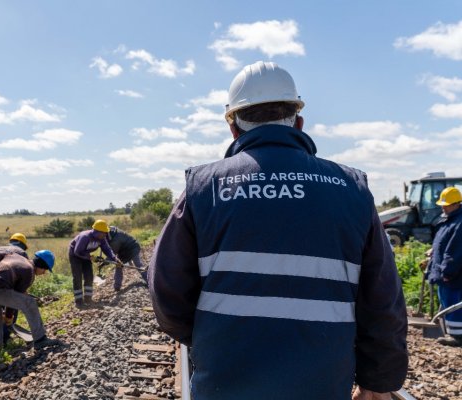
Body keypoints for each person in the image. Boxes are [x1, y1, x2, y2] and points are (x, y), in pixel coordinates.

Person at [148, 61, 408, 400]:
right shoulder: (351, 189)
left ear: (234, 128)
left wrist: (211, 335)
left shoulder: (203, 189)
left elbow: (165, 289)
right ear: (299, 122)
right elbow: (383, 298)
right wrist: (378, 381)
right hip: (322, 384)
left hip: (225, 383)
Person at [0, 249, 61, 351]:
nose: (44, 273)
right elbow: (15, 297)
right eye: (45, 269)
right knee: (30, 303)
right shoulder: (29, 271)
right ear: (41, 265)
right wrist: (9, 316)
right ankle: (40, 339)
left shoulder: (19, 258)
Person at [426, 186, 462, 347]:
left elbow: (454, 251)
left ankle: (457, 336)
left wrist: (447, 272)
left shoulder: (459, 223)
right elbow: (442, 243)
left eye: (446, 204)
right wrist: (433, 252)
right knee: (447, 303)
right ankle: (451, 331)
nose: (443, 206)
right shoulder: (449, 220)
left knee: (452, 304)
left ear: (456, 204)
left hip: (452, 275)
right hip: (444, 272)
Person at [68, 220, 122, 307]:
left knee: (89, 276)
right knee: (77, 277)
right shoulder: (85, 237)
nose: (105, 235)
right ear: (97, 231)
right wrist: (89, 257)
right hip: (75, 255)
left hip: (86, 255)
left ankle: (88, 299)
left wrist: (115, 259)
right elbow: (77, 251)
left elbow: (107, 249)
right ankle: (79, 301)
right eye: (103, 233)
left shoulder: (102, 239)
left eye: (105, 233)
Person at [106, 225, 147, 290]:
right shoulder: (111, 231)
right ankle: (117, 287)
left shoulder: (115, 240)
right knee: (118, 266)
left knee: (138, 264)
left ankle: (148, 280)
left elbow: (112, 254)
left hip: (132, 248)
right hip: (123, 251)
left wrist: (104, 262)